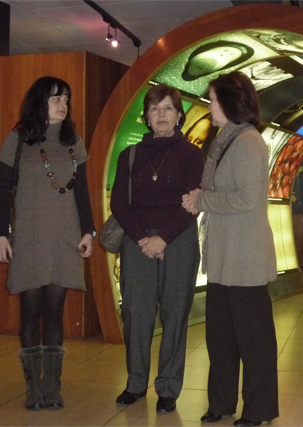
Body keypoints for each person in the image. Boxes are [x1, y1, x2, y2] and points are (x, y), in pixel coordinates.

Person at [0, 76, 96, 411]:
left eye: (65, 98)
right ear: (39, 101)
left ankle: (52, 387)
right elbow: (3, 190)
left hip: (64, 236)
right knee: (29, 311)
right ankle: (31, 389)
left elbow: (82, 192)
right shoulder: (18, 139)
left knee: (54, 312)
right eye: (54, 98)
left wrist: (88, 231)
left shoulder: (73, 141)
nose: (62, 104)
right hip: (29, 237)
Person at [182, 71, 279, 427]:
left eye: (212, 98)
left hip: (246, 258)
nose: (209, 106)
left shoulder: (250, 142)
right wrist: (201, 199)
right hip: (223, 257)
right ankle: (221, 403)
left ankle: (259, 409)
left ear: (229, 101)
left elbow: (246, 198)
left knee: (254, 342)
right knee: (220, 338)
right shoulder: (224, 140)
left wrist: (203, 199)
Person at [110, 84, 204, 414]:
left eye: (167, 108)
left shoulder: (193, 155)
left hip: (178, 239)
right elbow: (118, 202)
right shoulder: (129, 155)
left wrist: (163, 238)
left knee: (175, 312)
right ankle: (136, 382)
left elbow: (194, 202)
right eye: (154, 109)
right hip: (137, 240)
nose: (161, 114)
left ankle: (168, 386)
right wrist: (142, 240)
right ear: (147, 117)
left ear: (179, 115)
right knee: (136, 312)